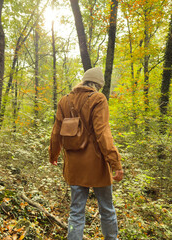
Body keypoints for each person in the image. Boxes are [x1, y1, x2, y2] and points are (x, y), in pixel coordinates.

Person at [49, 67, 124, 240]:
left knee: (76, 211)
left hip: (74, 165)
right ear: (97, 84)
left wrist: (53, 154)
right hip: (97, 165)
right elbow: (103, 133)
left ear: (83, 80)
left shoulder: (64, 101)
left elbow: (56, 132)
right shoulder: (98, 98)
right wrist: (116, 163)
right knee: (107, 208)